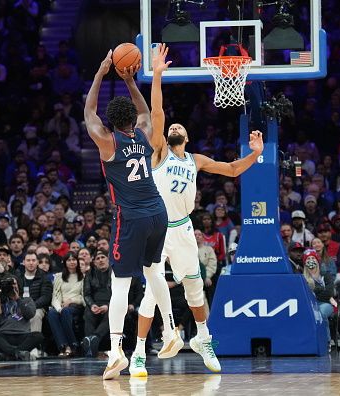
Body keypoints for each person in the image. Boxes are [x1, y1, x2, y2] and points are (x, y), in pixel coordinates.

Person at [129, 43, 264, 377]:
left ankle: (203, 339)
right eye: (171, 127)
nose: (174, 127)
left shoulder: (195, 160)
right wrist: (157, 76)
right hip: (156, 228)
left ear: (187, 137)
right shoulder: (159, 152)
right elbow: (158, 114)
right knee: (151, 291)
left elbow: (232, 170)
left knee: (194, 288)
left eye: (179, 128)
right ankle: (138, 354)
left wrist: (255, 153)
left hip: (183, 227)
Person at [84, 49, 181, 380]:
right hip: (158, 211)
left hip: (133, 217)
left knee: (120, 284)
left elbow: (89, 111)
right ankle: (170, 331)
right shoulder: (144, 134)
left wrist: (101, 72)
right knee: (154, 272)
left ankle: (115, 353)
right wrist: (129, 81)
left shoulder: (106, 141)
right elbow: (145, 110)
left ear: (112, 122)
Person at [0, 276, 44, 361]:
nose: (12, 286)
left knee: (38, 336)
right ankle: (18, 354)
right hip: (3, 337)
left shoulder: (27, 300)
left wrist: (17, 299)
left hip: (22, 336)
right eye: (8, 285)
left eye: (13, 284)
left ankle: (6, 355)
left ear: (18, 286)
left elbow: (29, 314)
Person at [47, 251, 85, 357]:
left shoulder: (83, 277)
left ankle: (73, 345)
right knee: (52, 313)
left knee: (66, 311)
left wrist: (71, 301)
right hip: (62, 306)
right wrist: (59, 308)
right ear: (65, 262)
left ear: (77, 261)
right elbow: (55, 296)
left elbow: (84, 297)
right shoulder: (59, 277)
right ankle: (64, 346)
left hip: (76, 306)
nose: (72, 262)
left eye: (74, 259)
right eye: (69, 260)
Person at [302, 249, 336, 345]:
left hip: (326, 303)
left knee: (320, 312)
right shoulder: (301, 278)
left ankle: (326, 341)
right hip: (309, 305)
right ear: (305, 263)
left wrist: (314, 290)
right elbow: (302, 294)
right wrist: (321, 290)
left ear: (317, 261)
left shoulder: (326, 275)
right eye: (308, 259)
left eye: (313, 258)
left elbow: (329, 293)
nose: (311, 260)